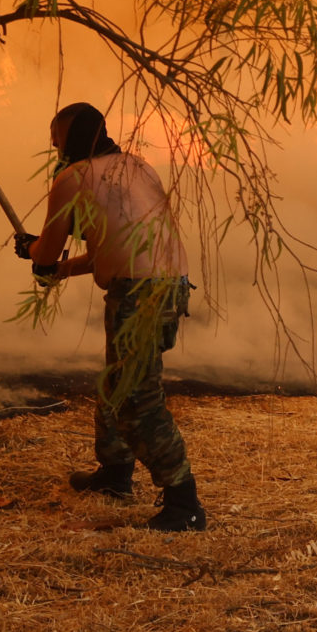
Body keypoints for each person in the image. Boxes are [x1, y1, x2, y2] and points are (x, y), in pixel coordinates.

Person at [15, 103, 207, 531]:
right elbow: (110, 250)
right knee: (117, 381)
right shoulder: (136, 167)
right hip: (165, 283)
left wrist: (34, 251)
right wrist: (60, 268)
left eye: (56, 138)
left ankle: (184, 502)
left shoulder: (72, 178)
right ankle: (115, 474)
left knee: (137, 399)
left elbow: (46, 253)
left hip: (140, 292)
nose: (52, 146)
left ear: (70, 139)